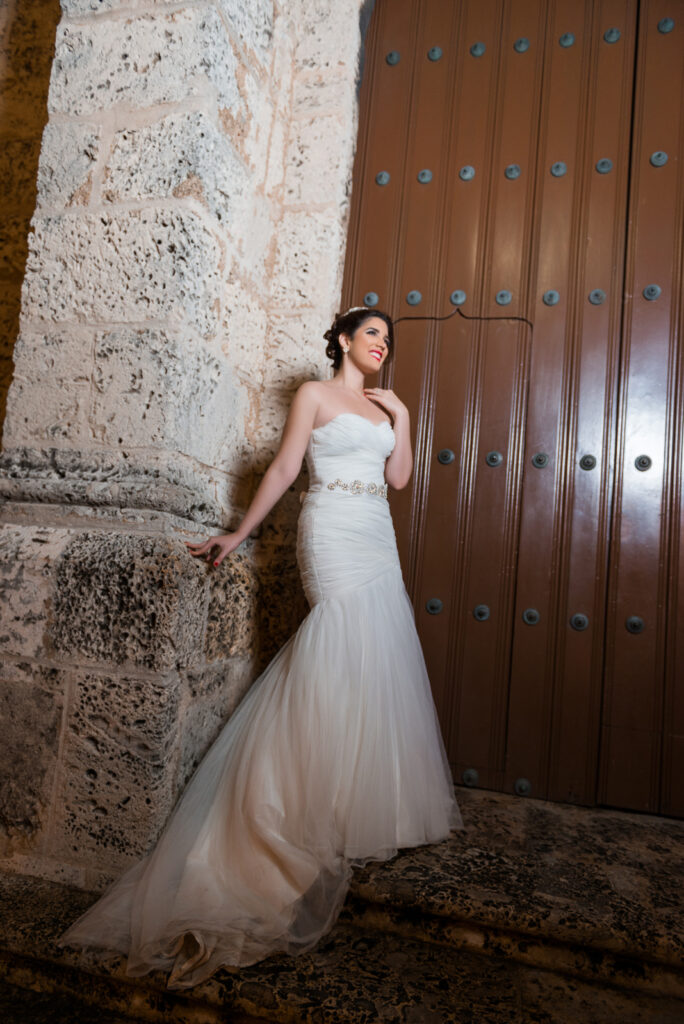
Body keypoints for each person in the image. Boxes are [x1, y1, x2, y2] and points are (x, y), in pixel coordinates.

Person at [57, 306, 465, 989]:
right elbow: (281, 468)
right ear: (342, 339)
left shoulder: (384, 406)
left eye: (388, 340)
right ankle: (290, 803)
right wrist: (238, 533)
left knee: (378, 647)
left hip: (375, 532)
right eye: (371, 334)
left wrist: (405, 416)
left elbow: (399, 481)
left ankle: (346, 794)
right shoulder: (313, 395)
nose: (381, 345)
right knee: (336, 638)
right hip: (331, 526)